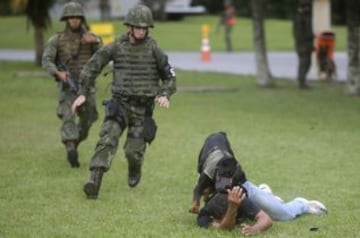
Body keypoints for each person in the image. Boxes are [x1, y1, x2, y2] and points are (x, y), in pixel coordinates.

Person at [71, 4, 176, 199]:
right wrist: (83, 92)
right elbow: (93, 66)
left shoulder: (154, 49)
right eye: (138, 27)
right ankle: (94, 180)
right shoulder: (117, 46)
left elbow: (170, 76)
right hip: (120, 104)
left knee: (133, 152)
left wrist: (164, 94)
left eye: (144, 28)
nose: (141, 31)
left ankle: (134, 168)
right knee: (107, 139)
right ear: (129, 26)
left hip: (142, 110)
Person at [189, 131, 327, 221]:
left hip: (240, 184)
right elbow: (199, 190)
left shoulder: (236, 172)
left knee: (282, 214)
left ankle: (302, 204)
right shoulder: (207, 173)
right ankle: (265, 193)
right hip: (213, 159)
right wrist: (199, 202)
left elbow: (264, 220)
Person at [42, 1, 103, 168]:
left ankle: (74, 143)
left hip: (86, 87)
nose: (74, 20)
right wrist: (58, 73)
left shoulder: (90, 37)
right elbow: (46, 61)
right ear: (66, 19)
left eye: (77, 17)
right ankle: (70, 148)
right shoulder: (57, 39)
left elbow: (103, 56)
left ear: (81, 19)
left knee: (88, 119)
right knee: (68, 116)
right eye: (71, 17)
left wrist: (96, 41)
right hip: (68, 86)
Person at [197, 185, 273, 235]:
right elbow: (225, 228)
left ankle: (264, 191)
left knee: (265, 203)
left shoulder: (241, 200)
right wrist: (232, 207)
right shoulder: (204, 214)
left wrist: (253, 229)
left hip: (241, 191)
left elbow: (267, 220)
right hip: (222, 196)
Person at [293, 0, 314, 89]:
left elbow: (308, 31)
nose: (308, 8)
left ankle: (302, 80)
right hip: (302, 45)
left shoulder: (307, 17)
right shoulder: (299, 18)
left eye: (308, 6)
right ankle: (302, 82)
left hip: (308, 44)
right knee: (304, 63)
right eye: (306, 6)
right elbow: (299, 34)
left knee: (308, 63)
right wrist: (304, 45)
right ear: (302, 7)